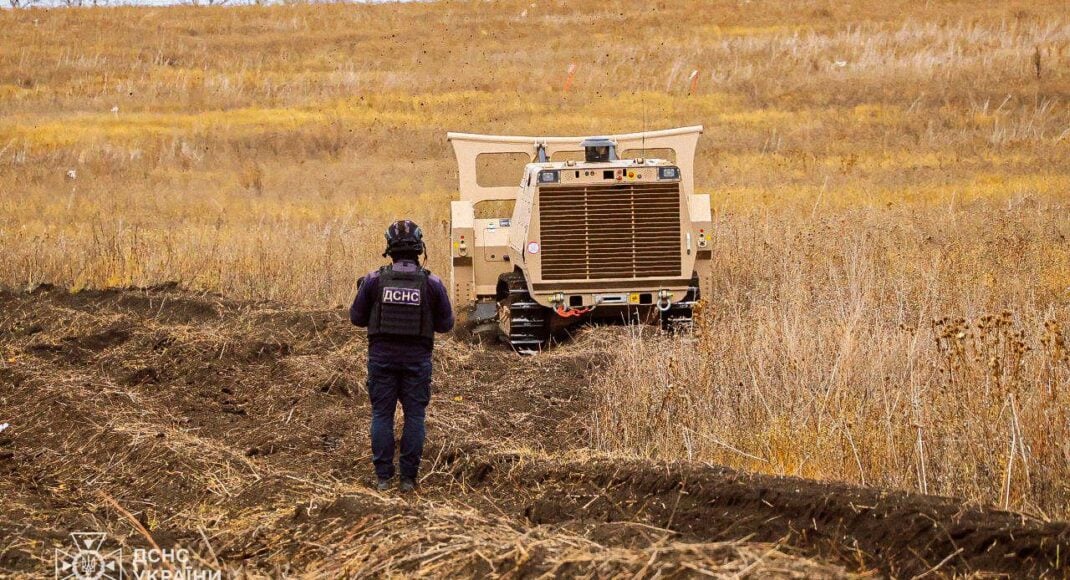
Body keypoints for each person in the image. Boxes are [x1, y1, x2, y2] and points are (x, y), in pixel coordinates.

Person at [350, 220, 454, 492]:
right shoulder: (432, 283)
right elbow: (446, 325)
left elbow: (356, 319)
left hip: (381, 360)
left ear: (389, 248)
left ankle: (383, 478)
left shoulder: (373, 280)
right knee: (415, 417)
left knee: (382, 415)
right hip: (417, 362)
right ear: (420, 247)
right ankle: (408, 479)